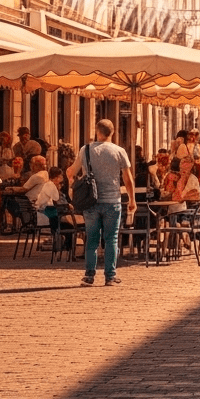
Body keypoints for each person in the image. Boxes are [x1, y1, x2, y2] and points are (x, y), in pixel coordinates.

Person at [67, 119, 136, 288]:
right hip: (113, 201)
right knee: (111, 238)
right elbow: (127, 178)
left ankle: (89, 276)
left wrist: (73, 181)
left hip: (91, 201)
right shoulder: (119, 151)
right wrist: (132, 200)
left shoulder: (86, 150)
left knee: (92, 239)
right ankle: (110, 276)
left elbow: (71, 171)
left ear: (96, 131)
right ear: (112, 133)